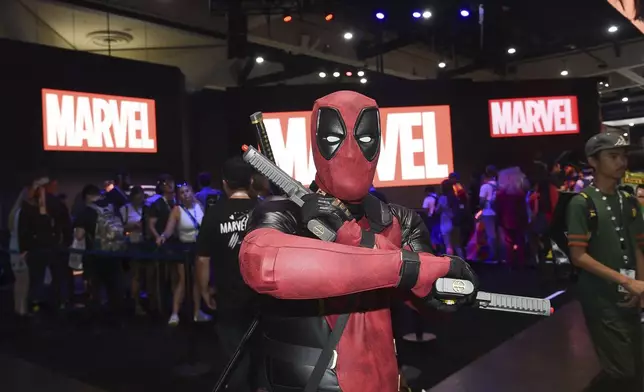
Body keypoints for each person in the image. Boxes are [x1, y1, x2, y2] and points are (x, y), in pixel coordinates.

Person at [238, 90, 479, 391]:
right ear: (316, 141)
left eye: (365, 138)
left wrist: (362, 242)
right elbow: (262, 264)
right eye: (334, 138)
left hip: (383, 380)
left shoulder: (398, 220)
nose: (350, 153)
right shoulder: (283, 213)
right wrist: (405, 267)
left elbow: (437, 301)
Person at [566, 132, 644, 391]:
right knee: (622, 370)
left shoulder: (629, 201)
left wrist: (639, 286)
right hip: (600, 300)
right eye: (613, 156)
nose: (621, 162)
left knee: (636, 366)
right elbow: (578, 257)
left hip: (630, 296)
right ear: (593, 161)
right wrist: (627, 281)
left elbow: (638, 247)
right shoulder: (581, 203)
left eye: (623, 156)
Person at [195, 156, 259, 392]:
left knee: (233, 355)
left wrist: (203, 290)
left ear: (224, 183)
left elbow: (202, 259)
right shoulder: (262, 211)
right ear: (251, 181)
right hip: (260, 296)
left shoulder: (214, 214)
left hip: (228, 296)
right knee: (260, 351)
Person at [157, 183, 210, 326]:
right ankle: (174, 314)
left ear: (192, 192)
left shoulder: (200, 206)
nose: (185, 194)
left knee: (198, 281)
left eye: (187, 191)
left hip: (200, 247)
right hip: (184, 248)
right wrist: (163, 236)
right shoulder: (176, 210)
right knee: (183, 280)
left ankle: (197, 312)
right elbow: (169, 229)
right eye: (181, 193)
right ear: (178, 196)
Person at [74, 184, 124, 326]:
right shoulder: (112, 207)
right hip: (114, 254)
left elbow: (79, 235)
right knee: (115, 289)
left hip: (94, 257)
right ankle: (116, 320)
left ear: (86, 197)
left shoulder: (86, 211)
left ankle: (95, 322)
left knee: (95, 290)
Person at [119, 186, 149, 316]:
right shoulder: (124, 209)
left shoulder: (146, 209)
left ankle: (146, 301)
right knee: (134, 275)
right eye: (137, 198)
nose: (140, 200)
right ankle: (135, 304)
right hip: (130, 245)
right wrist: (133, 226)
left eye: (141, 198)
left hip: (146, 244)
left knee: (146, 275)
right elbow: (118, 227)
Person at [9, 187, 29, 316]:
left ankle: (18, 308)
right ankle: (22, 310)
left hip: (13, 249)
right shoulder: (24, 214)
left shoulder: (14, 213)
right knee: (24, 281)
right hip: (21, 250)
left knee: (18, 281)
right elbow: (25, 234)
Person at [437, 179, 465, 258]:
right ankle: (464, 263)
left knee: (448, 245)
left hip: (445, 222)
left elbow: (437, 210)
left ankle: (451, 266)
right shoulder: (455, 197)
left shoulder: (442, 198)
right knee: (457, 245)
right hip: (455, 223)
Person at [479, 165, 499, 262]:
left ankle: (493, 256)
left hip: (488, 213)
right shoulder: (499, 185)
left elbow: (482, 202)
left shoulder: (485, 186)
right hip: (499, 213)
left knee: (491, 235)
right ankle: (502, 255)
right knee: (499, 234)